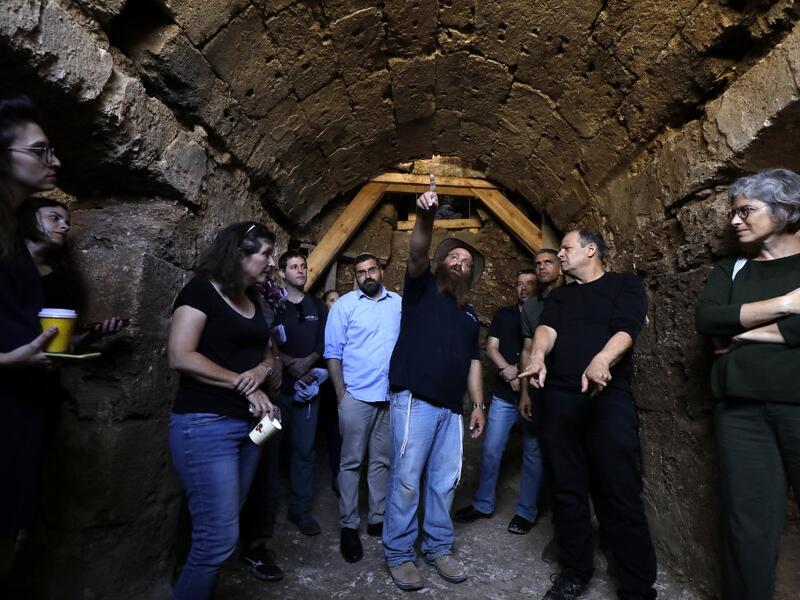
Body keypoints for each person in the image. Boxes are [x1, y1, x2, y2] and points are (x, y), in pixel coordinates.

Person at [520, 229, 657, 600]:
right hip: (559, 402)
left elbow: (627, 329)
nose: (560, 255)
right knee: (566, 491)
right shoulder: (560, 296)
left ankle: (637, 586)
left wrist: (602, 359)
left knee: (620, 492)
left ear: (591, 249)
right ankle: (575, 571)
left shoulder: (624, 285)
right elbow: (546, 329)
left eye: (566, 248)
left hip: (607, 402)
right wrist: (537, 357)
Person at [695, 168, 800, 600]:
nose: (735, 221)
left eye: (746, 211)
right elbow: (708, 319)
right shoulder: (733, 270)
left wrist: (741, 333)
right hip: (740, 411)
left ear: (784, 211)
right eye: (733, 213)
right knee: (747, 526)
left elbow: (726, 327)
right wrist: (787, 304)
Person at [383, 175, 486, 592]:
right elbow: (417, 252)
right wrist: (424, 217)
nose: (460, 262)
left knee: (445, 481)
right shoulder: (421, 288)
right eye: (454, 257)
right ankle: (399, 553)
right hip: (415, 400)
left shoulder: (470, 314)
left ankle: (438, 546)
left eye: (466, 262)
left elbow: (474, 361)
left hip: (451, 409)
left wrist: (477, 404)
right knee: (408, 479)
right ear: (442, 264)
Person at [167, 221, 278, 600]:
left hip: (254, 427)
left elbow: (268, 356)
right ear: (239, 253)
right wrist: (243, 384)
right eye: (266, 253)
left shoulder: (254, 300)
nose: (272, 262)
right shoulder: (201, 290)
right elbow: (180, 355)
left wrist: (262, 372)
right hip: (206, 424)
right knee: (217, 538)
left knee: (230, 514)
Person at [0, 95, 62, 583]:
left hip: (19, 403)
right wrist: (8, 359)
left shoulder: (10, 233)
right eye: (40, 151)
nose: (54, 161)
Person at [324, 252, 402, 563]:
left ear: (381, 271)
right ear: (355, 277)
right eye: (361, 272)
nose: (367, 275)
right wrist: (341, 394)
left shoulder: (398, 304)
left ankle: (377, 518)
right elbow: (333, 352)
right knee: (350, 462)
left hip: (389, 398)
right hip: (355, 397)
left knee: (382, 461)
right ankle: (348, 525)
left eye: (372, 270)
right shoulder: (344, 306)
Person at [454, 268, 544, 534]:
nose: (524, 288)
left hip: (535, 397)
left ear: (538, 286)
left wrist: (522, 376)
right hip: (505, 395)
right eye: (519, 283)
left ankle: (526, 513)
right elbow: (491, 347)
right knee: (492, 450)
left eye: (529, 283)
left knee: (533, 454)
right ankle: (483, 504)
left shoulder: (546, 314)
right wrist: (507, 370)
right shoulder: (504, 315)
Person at [272, 250, 327, 536]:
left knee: (304, 451)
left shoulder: (317, 306)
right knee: (263, 445)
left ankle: (300, 509)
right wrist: (288, 363)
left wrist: (307, 362)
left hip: (308, 394)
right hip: (273, 395)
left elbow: (325, 342)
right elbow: (265, 340)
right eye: (293, 267)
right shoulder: (273, 305)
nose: (300, 270)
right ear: (282, 273)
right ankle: (261, 511)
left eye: (303, 266)